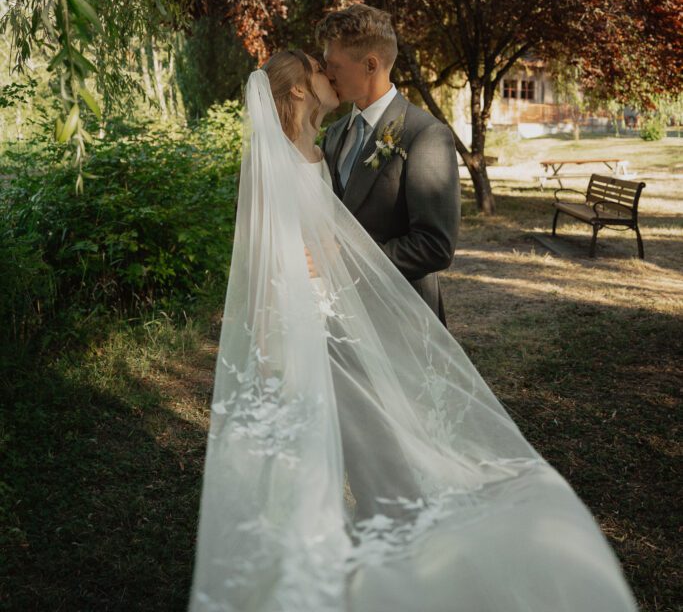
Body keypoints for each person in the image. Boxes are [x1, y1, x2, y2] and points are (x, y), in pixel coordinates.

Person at [187, 45, 639, 612]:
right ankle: (301, 574)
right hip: (296, 324)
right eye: (318, 71)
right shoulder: (286, 153)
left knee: (372, 448)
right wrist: (274, 327)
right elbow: (260, 253)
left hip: (346, 319)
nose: (329, 75)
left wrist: (330, 261)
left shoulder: (333, 145)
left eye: (334, 65)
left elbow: (393, 241)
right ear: (298, 91)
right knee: (305, 456)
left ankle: (368, 550)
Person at [316, 4, 459, 328]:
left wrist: (347, 260)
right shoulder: (335, 133)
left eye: (333, 64)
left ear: (370, 65)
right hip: (340, 318)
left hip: (401, 319)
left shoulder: (425, 135)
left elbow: (435, 246)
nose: (327, 73)